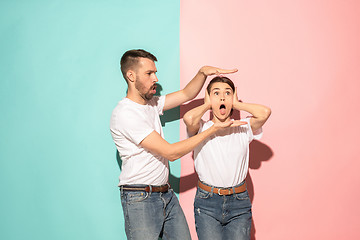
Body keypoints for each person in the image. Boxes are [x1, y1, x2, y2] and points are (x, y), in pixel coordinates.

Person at [110, 49, 242, 240]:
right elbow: (170, 152)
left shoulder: (152, 104)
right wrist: (212, 130)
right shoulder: (126, 114)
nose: (155, 78)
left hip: (165, 193)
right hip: (139, 197)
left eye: (155, 72)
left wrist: (202, 73)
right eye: (149, 73)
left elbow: (187, 93)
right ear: (131, 76)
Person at [183, 76, 271, 240]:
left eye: (227, 93)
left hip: (239, 201)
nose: (222, 97)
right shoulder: (201, 127)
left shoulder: (242, 127)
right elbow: (188, 118)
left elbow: (265, 113)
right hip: (207, 202)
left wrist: (237, 104)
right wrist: (208, 104)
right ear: (209, 98)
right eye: (216, 93)